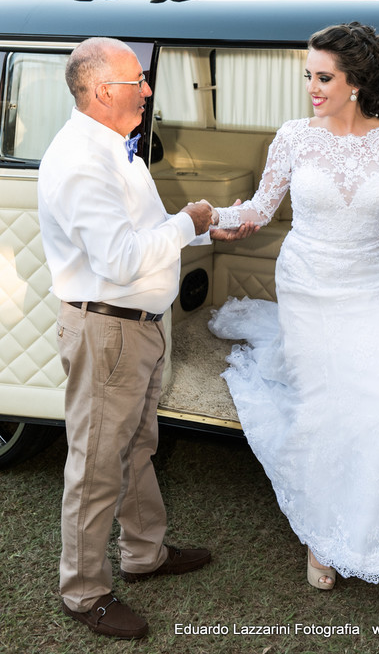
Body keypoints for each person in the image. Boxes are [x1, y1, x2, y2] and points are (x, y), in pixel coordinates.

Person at [208, 22, 379, 589]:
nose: (312, 86)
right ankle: (321, 535)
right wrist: (208, 222)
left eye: (323, 77)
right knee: (324, 411)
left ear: (356, 82)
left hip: (371, 287)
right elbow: (260, 207)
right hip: (307, 283)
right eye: (308, 75)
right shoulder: (293, 136)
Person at [37, 37, 255, 639]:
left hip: (138, 326)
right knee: (96, 465)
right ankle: (84, 593)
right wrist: (192, 220)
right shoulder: (81, 161)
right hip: (108, 329)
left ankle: (144, 554)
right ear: (105, 91)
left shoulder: (115, 148)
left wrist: (208, 234)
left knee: (135, 446)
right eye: (139, 80)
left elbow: (148, 231)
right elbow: (119, 258)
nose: (148, 89)